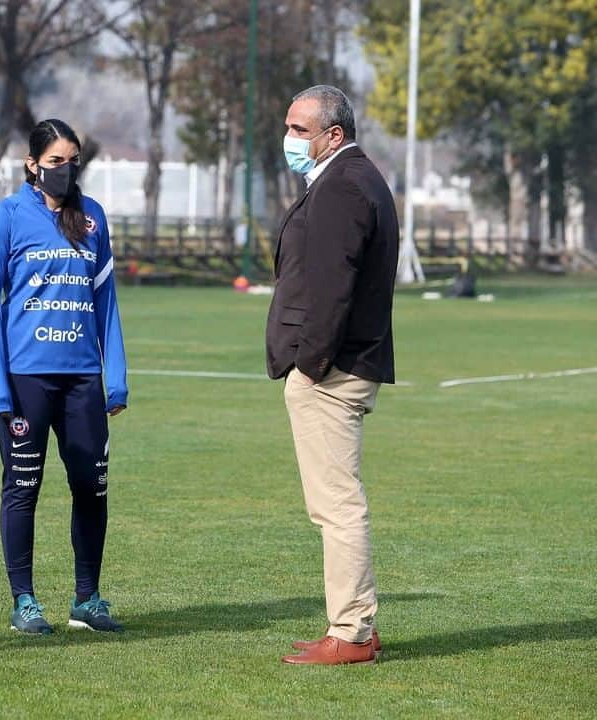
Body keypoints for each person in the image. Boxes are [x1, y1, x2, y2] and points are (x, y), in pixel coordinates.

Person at [0, 119, 128, 635]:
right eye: (56, 161)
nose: (65, 170)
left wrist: (117, 378)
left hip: (83, 379)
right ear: (32, 164)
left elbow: (106, 302)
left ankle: (87, 598)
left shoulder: (93, 219)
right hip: (26, 382)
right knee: (23, 488)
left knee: (92, 487)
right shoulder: (7, 218)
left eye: (73, 160)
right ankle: (24, 601)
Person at [266, 85, 398, 665]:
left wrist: (311, 365)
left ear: (333, 135)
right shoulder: (354, 178)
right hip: (342, 363)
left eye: (300, 130)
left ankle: (350, 632)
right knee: (336, 503)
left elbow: (331, 289)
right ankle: (353, 627)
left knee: (337, 506)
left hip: (333, 370)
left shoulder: (343, 185)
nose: (290, 140)